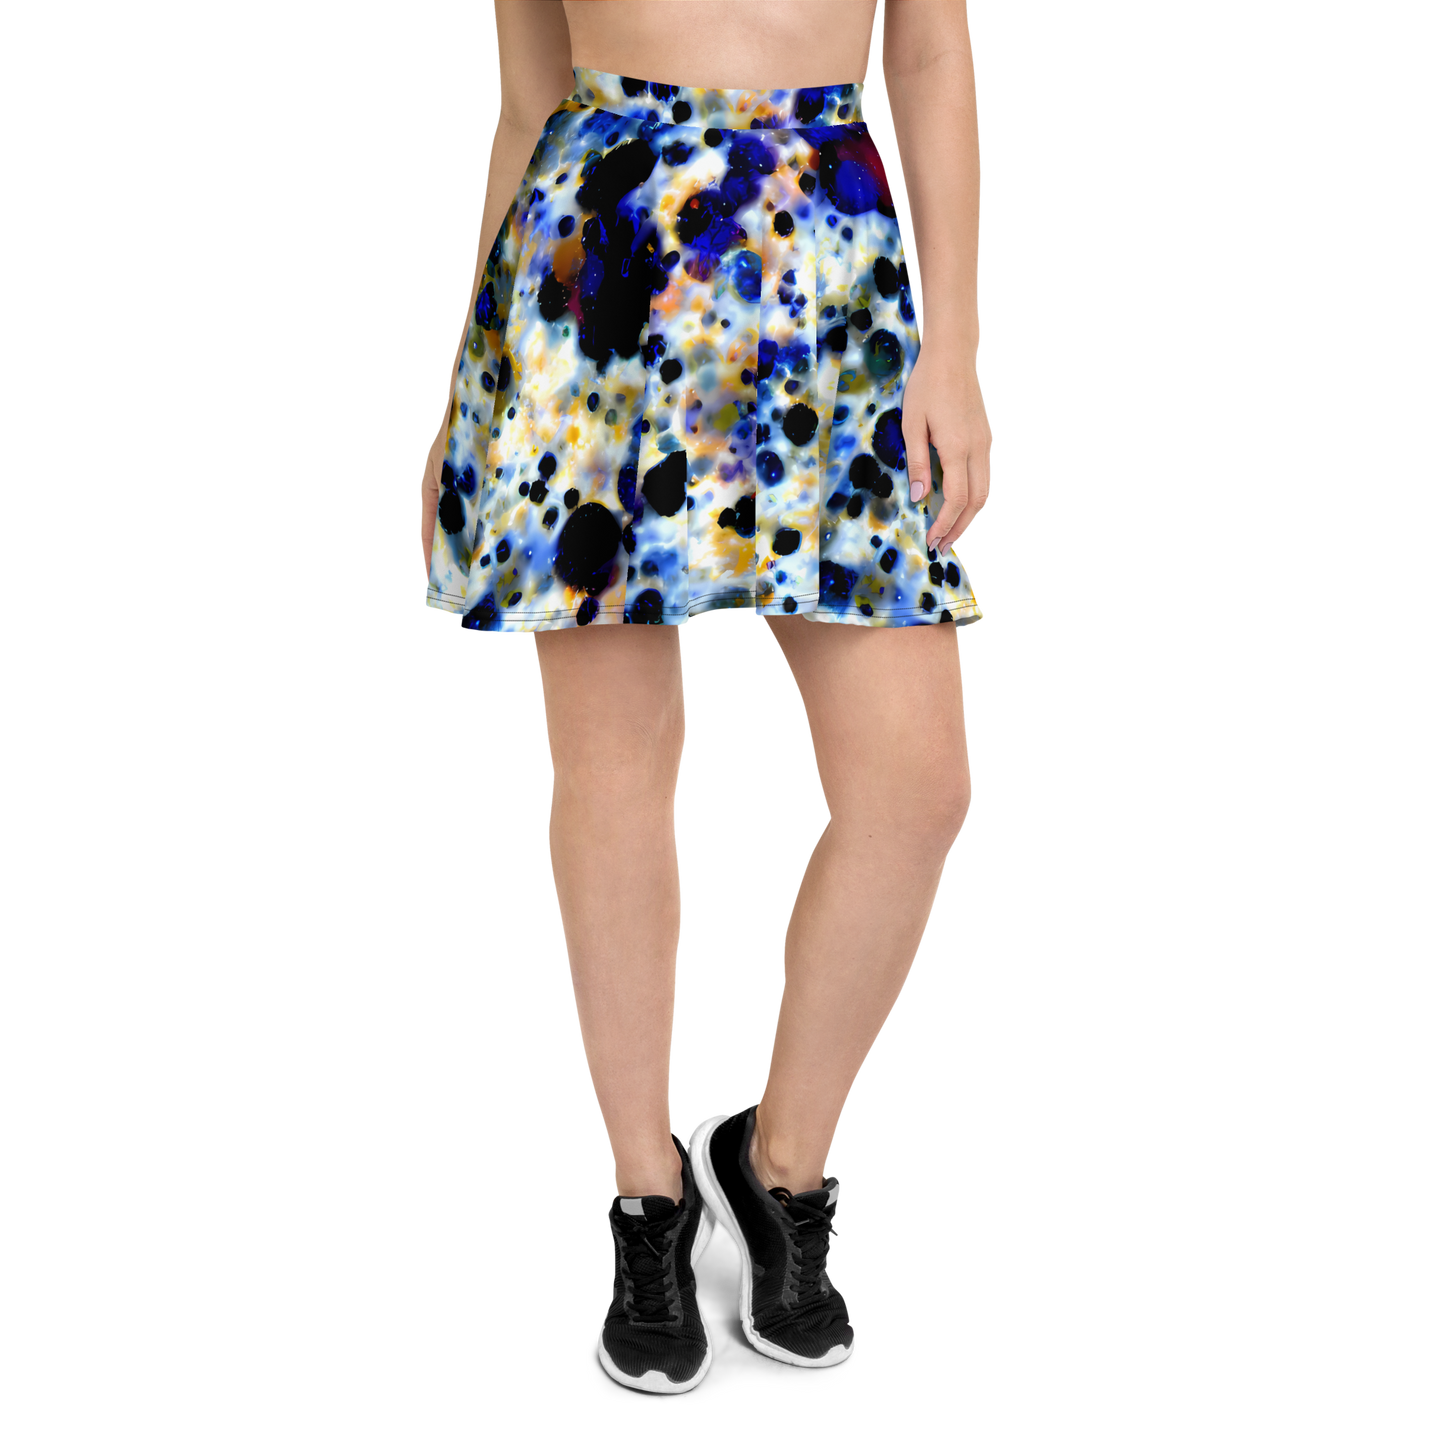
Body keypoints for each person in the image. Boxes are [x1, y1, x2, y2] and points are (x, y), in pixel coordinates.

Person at [418, 0, 990, 1392]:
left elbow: (927, 52)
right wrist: (458, 399)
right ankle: (643, 1198)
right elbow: (526, 100)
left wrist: (957, 349)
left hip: (832, 258)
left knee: (917, 789)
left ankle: (778, 1163)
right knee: (614, 768)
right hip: (598, 265)